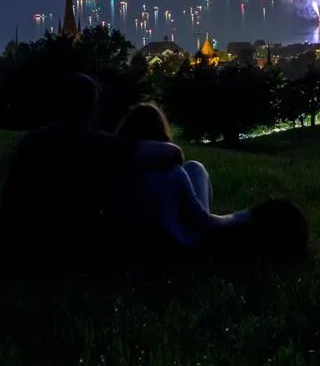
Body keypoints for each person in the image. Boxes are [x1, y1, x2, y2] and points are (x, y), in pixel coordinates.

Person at [0, 73, 184, 262]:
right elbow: (170, 153)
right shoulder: (95, 144)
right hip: (69, 246)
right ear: (91, 107)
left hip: (15, 243)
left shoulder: (30, 142)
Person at [108, 103, 309, 263]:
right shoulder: (172, 173)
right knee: (195, 168)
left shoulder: (114, 176)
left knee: (193, 168)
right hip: (177, 253)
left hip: (129, 249)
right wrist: (245, 215)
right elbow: (204, 223)